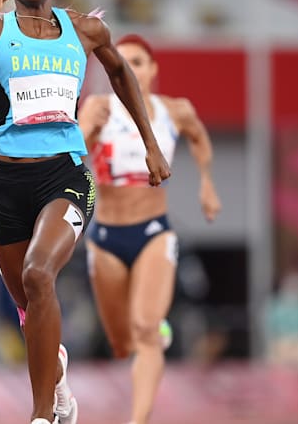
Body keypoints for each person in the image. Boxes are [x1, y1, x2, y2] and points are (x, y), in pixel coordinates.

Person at [0, 0, 171, 424]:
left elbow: (120, 74)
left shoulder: (84, 30)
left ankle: (43, 415)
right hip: (6, 184)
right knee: (30, 310)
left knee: (38, 273)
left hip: (64, 175)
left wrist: (149, 143)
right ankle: (59, 374)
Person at [78, 33, 222, 424]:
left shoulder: (174, 110)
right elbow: (74, 149)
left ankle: (138, 419)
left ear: (153, 69)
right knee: (122, 342)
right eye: (121, 63)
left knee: (144, 330)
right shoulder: (99, 107)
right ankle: (147, 329)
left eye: (138, 62)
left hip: (154, 233)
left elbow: (199, 138)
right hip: (106, 239)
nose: (129, 69)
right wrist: (87, 131)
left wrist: (206, 182)